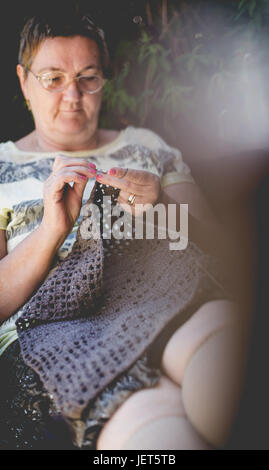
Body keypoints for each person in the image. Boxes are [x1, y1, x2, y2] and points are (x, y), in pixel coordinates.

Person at [0, 9, 243, 450]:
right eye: (53, 78)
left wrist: (163, 206)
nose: (72, 95)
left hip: (168, 293)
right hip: (57, 332)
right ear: (24, 82)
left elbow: (224, 253)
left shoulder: (147, 147)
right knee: (148, 417)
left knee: (223, 344)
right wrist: (50, 231)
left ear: (104, 80)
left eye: (88, 77)